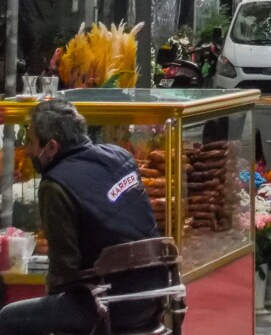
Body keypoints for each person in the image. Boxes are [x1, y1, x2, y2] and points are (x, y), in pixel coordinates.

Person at [0, 98, 162, 335]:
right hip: (155, 294)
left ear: (52, 147)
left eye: (32, 142)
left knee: (8, 317)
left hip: (105, 305)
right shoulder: (119, 156)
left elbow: (64, 268)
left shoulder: (55, 185)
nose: (30, 150)